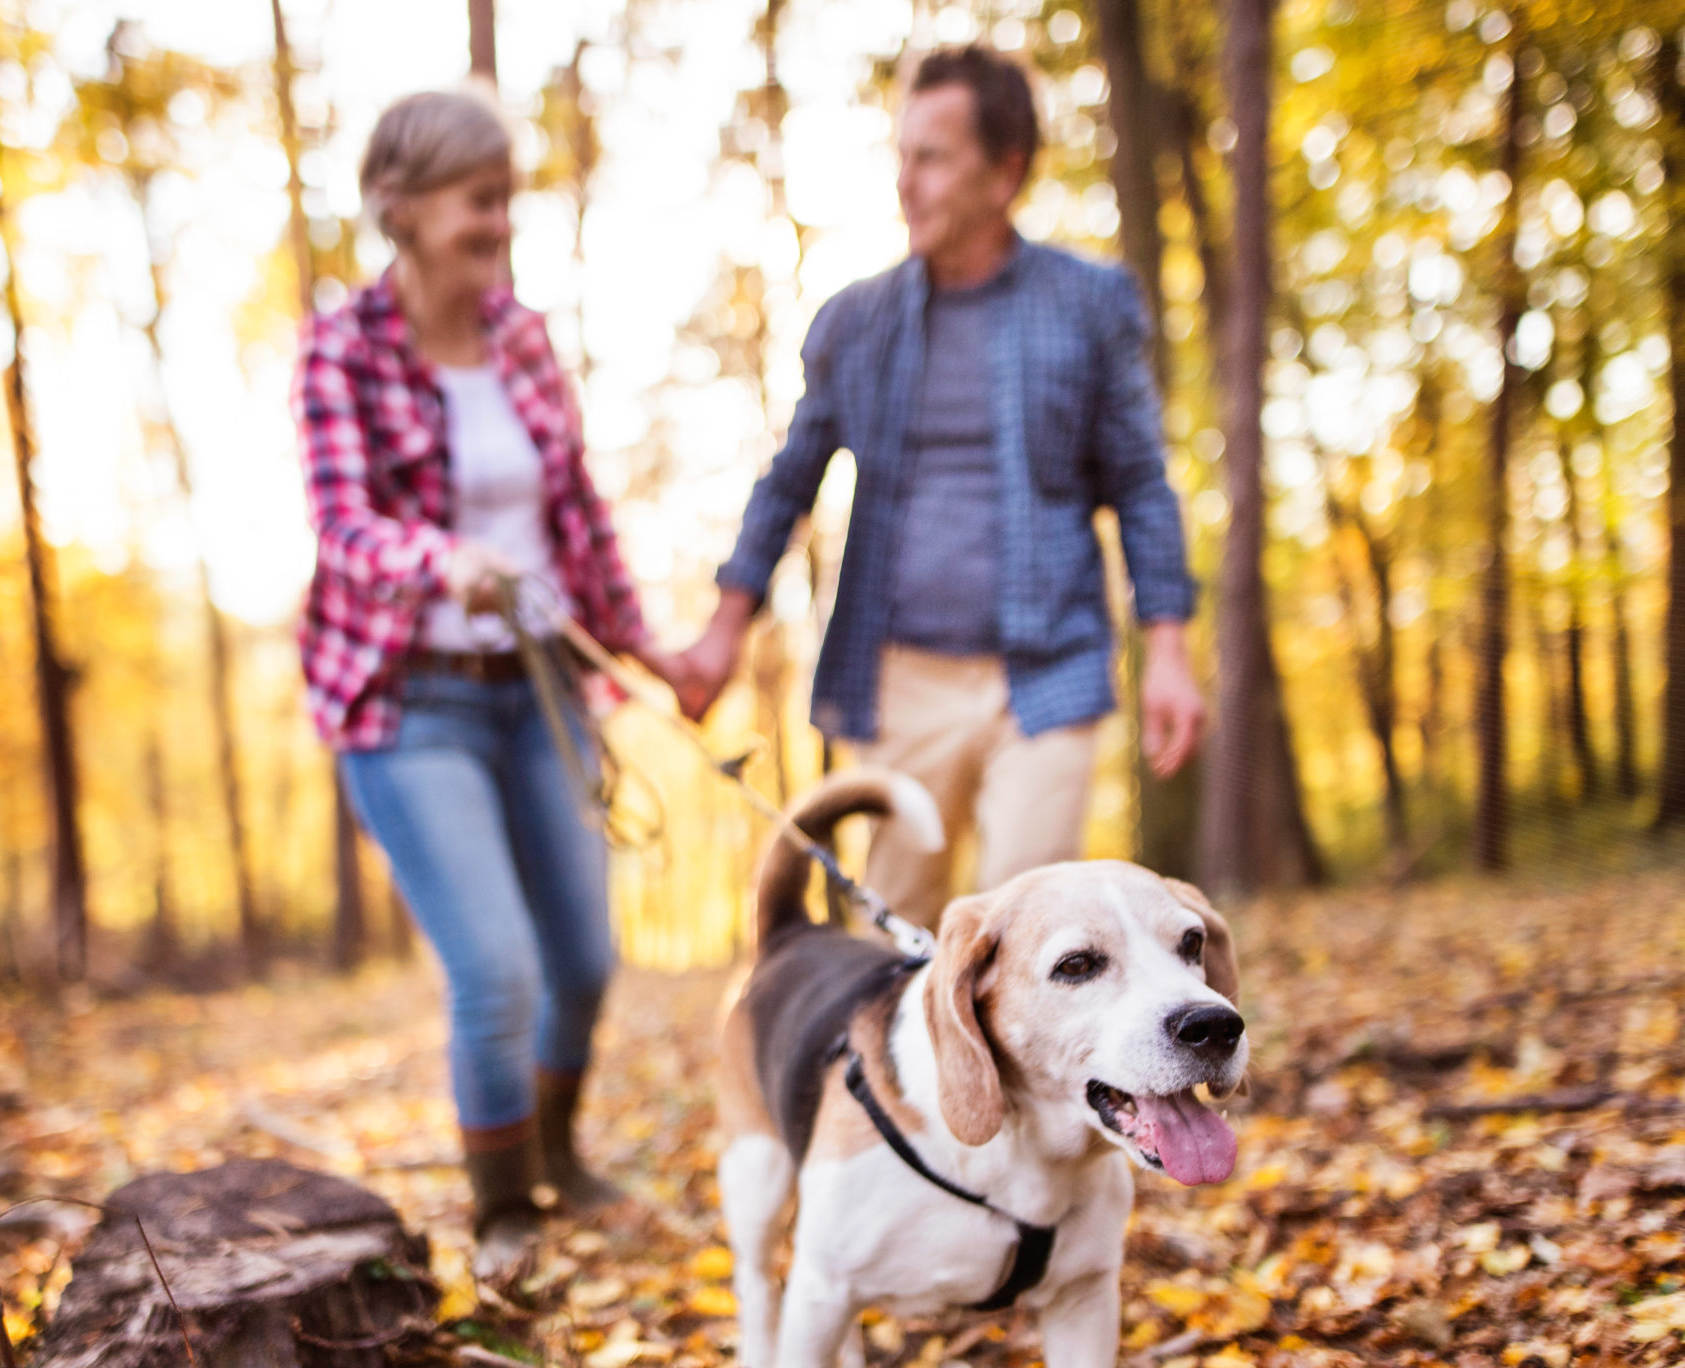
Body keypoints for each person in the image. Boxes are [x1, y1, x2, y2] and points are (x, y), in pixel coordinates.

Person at [673, 45, 1206, 931]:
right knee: (898, 936)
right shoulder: (855, 322)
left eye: (931, 157)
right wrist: (724, 630)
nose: (906, 183)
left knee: (1031, 932)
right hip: (901, 677)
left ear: (1006, 173)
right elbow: (789, 481)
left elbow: (1143, 487)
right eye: (900, 156)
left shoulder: (1089, 305)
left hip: (1049, 673)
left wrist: (1172, 653)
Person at [293, 88, 680, 1276]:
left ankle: (558, 1158)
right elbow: (343, 525)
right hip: (409, 702)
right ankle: (503, 1211)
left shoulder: (521, 338)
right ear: (399, 209)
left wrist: (649, 650)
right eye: (477, 200)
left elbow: (576, 516)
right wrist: (438, 558)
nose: (497, 222)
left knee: (581, 962)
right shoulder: (340, 347)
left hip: (543, 692)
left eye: (505, 199)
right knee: (497, 969)